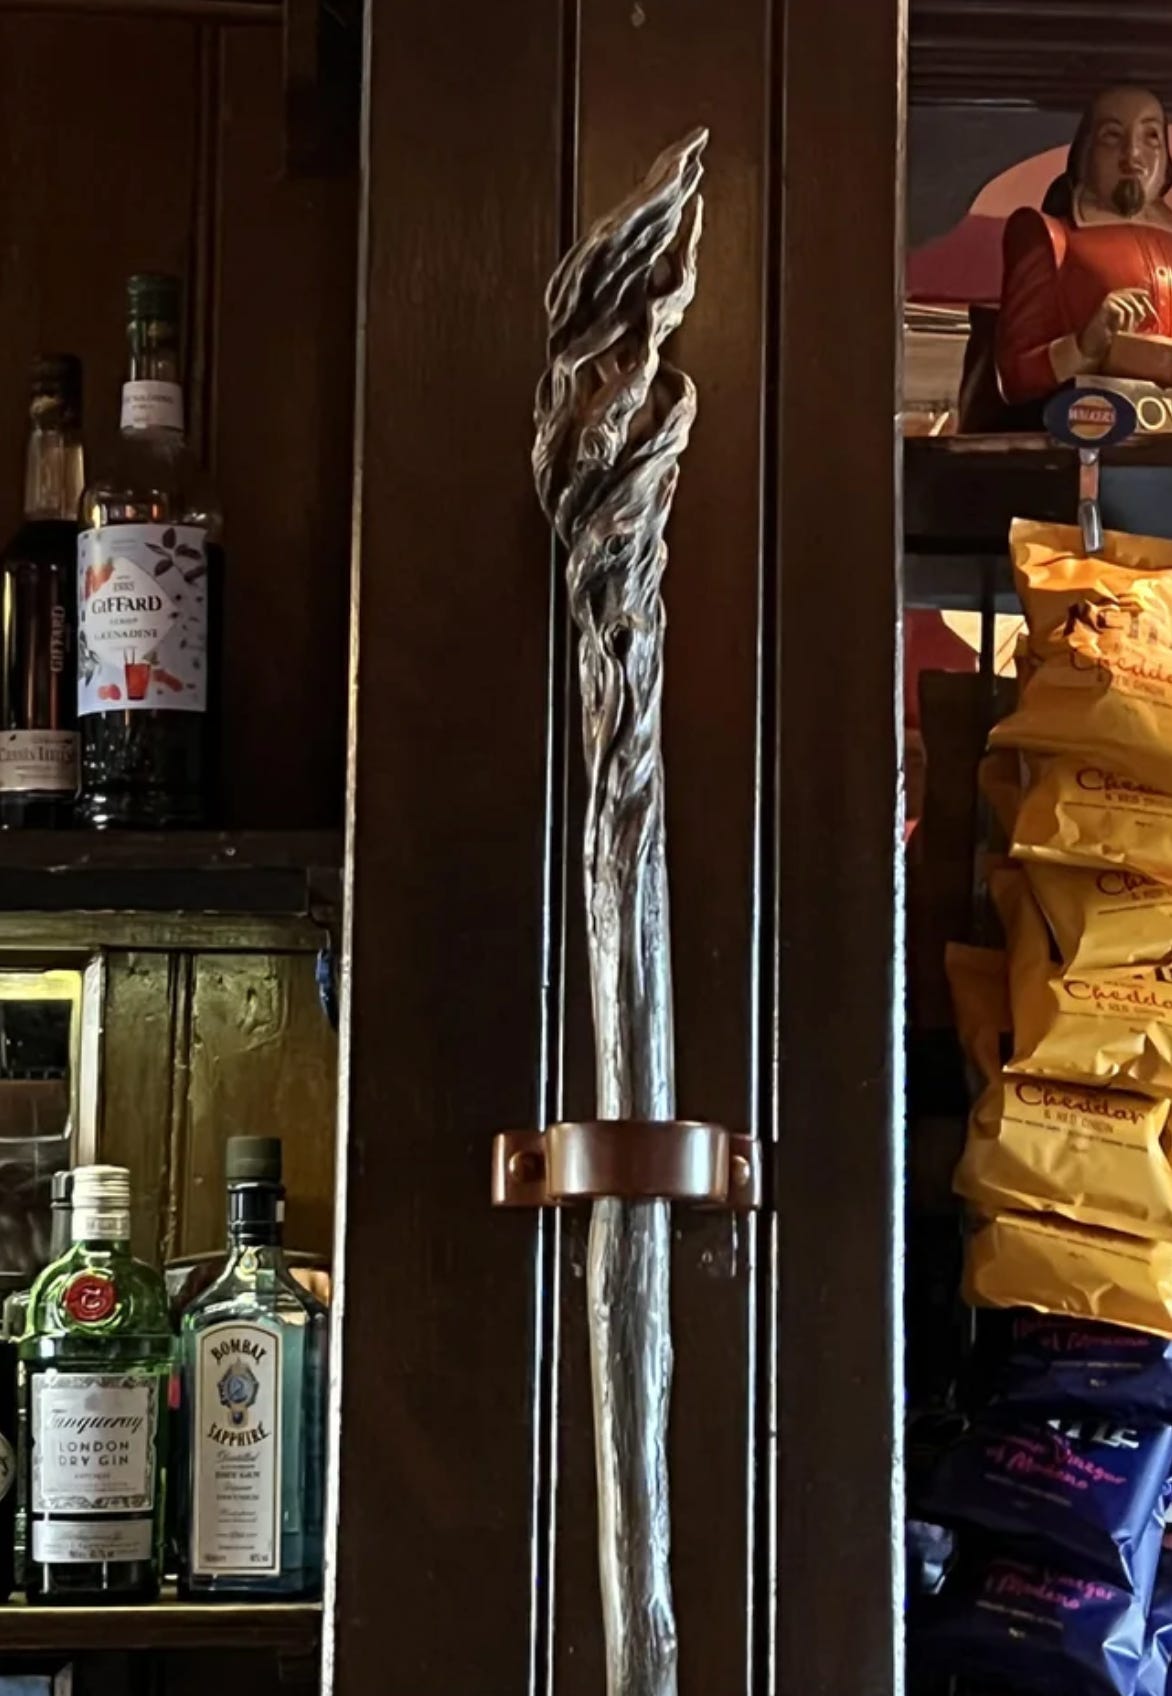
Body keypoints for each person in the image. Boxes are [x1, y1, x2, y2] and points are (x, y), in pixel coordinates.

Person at [996, 85, 1172, 407]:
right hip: (1086, 428)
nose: (1133, 156)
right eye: (1112, 137)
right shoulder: (1052, 239)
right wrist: (1083, 347)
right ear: (1085, 153)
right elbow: (1016, 374)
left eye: (1151, 137)